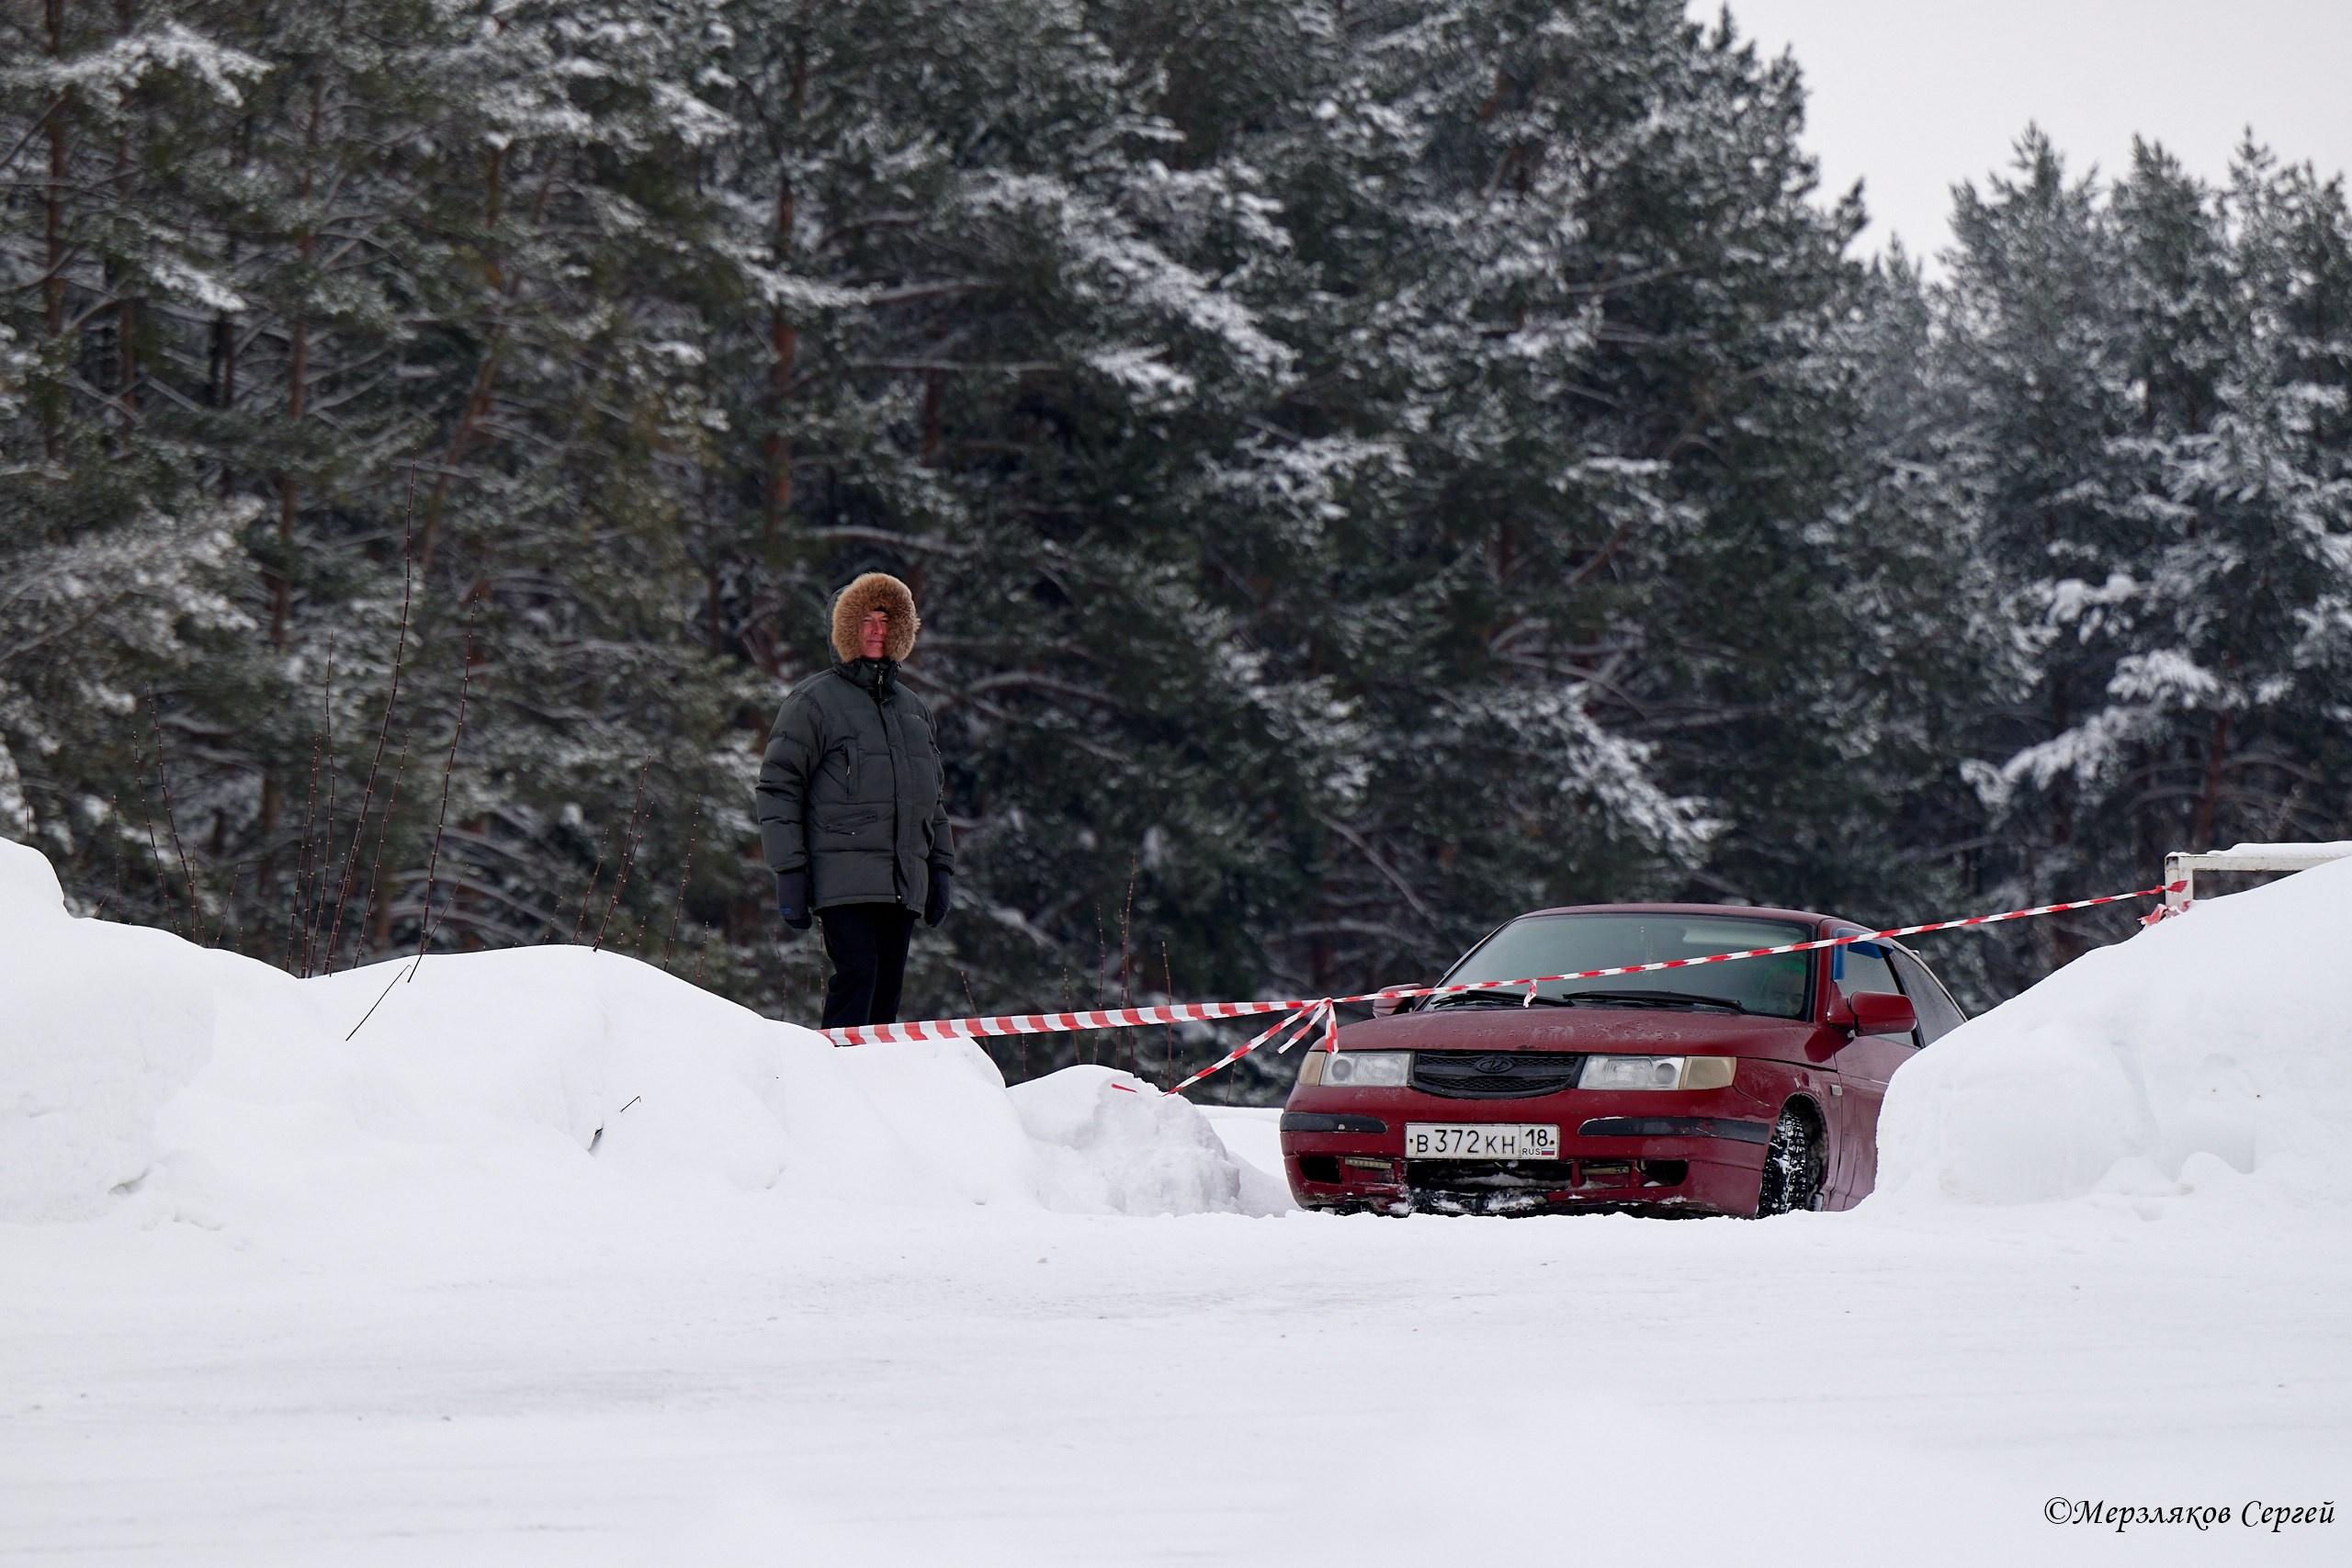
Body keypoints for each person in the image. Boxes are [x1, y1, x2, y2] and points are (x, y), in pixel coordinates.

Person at [754, 572, 955, 1031]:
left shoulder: (914, 711)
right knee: (857, 976)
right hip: (839, 875)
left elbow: (932, 800)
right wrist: (790, 870)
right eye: (865, 619)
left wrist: (941, 868)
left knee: (887, 992)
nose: (877, 629)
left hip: (903, 879)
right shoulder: (813, 701)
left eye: (887, 619)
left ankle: (871, 1091)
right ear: (844, 628)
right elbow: (778, 787)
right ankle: (833, 1083)